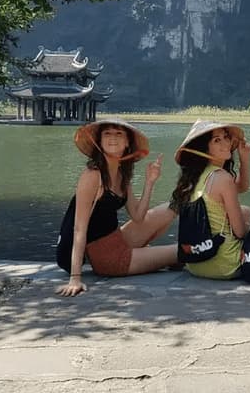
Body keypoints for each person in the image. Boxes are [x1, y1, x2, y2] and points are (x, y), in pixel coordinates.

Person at [56, 119, 178, 297]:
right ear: (99, 141)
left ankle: (153, 258)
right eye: (107, 133)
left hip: (116, 239)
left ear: (127, 142)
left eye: (119, 133)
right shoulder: (92, 176)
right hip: (105, 258)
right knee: (181, 250)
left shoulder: (122, 174)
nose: (113, 137)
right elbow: (79, 229)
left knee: (172, 207)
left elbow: (138, 216)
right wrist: (75, 278)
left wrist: (150, 182)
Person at [170, 119, 250, 280]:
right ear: (203, 148)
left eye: (226, 137)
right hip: (226, 266)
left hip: (195, 264)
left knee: (246, 211)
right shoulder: (222, 178)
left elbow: (241, 188)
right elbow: (240, 232)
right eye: (216, 140)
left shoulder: (191, 179)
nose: (225, 143)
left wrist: (244, 159)